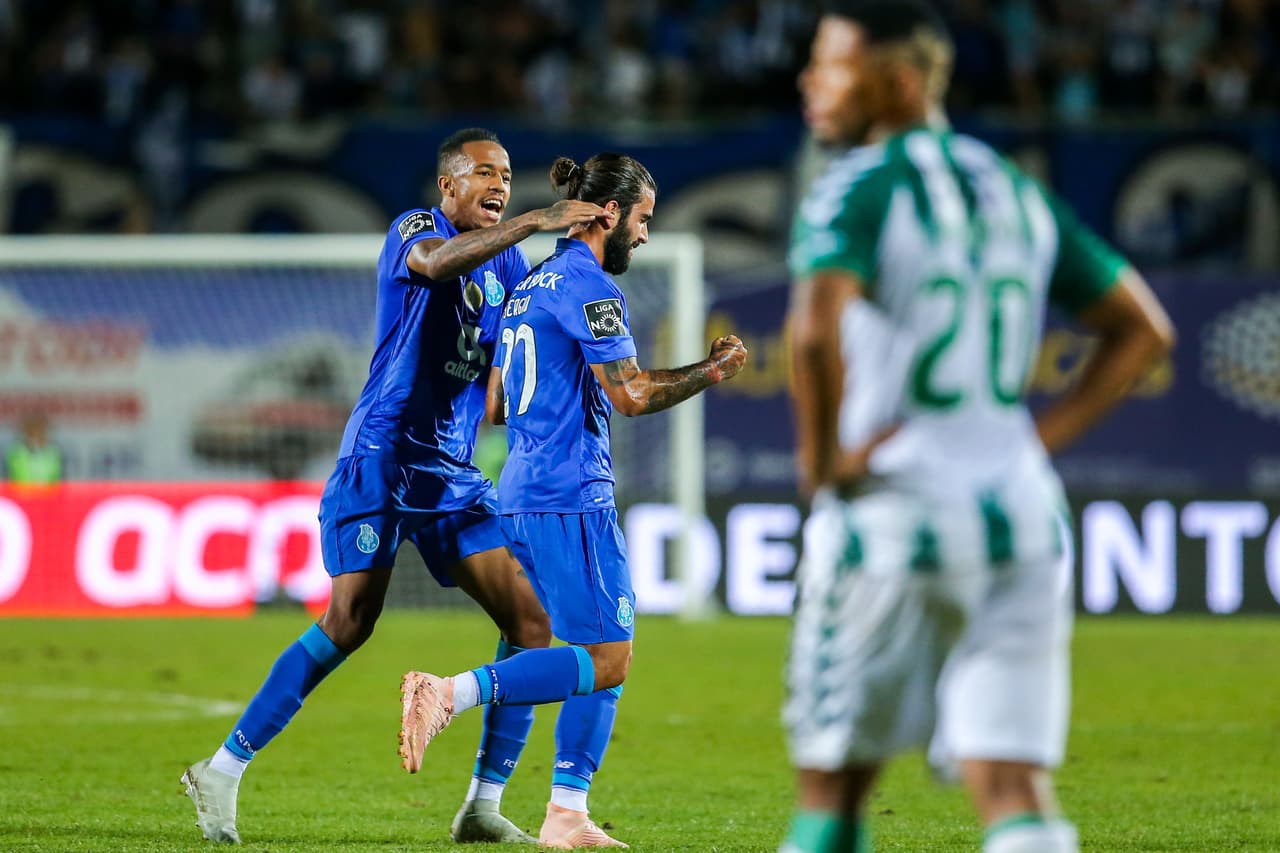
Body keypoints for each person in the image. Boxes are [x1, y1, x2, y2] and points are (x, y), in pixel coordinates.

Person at [782, 3, 1175, 853]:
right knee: (1014, 789)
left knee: (833, 791)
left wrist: (823, 463)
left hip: (896, 510)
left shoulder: (856, 183)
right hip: (1024, 514)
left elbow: (812, 330)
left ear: (898, 78)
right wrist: (1035, 440)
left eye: (832, 64)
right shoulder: (1014, 187)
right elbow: (1145, 329)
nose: (812, 81)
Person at [181, 127, 608, 845]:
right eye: (484, 173)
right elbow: (437, 266)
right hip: (382, 456)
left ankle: (481, 804)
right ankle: (221, 768)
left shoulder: (507, 270)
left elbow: (500, 389)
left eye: (506, 175)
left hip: (453, 475)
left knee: (532, 622)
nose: (499, 184)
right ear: (449, 185)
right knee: (350, 621)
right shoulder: (417, 230)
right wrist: (535, 219)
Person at [397, 152, 749, 849]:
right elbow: (633, 393)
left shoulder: (528, 284)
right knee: (611, 658)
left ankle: (565, 811)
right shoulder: (588, 285)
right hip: (570, 495)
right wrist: (712, 368)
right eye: (643, 219)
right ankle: (448, 693)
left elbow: (496, 403)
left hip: (522, 490)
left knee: (598, 647)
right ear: (610, 214)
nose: (646, 235)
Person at [4, 412, 64, 484]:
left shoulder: (54, 452)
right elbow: (9, 477)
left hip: (49, 494)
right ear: (25, 431)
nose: (36, 432)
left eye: (39, 429)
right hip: (20, 494)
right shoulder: (16, 452)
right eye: (32, 429)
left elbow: (60, 479)